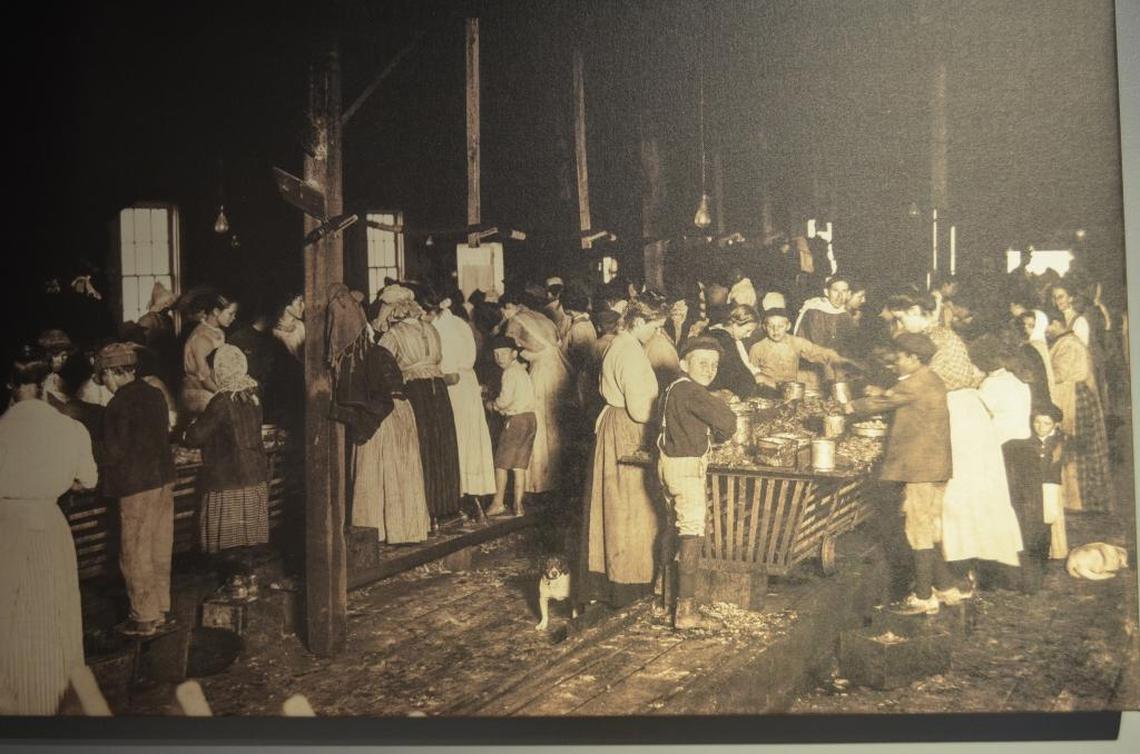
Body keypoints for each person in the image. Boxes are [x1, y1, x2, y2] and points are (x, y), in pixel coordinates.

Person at [887, 292, 1023, 584]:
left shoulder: (940, 338)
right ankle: (955, 572)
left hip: (959, 417)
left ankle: (959, 572)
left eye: (901, 318)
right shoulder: (934, 335)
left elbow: (923, 383)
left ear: (916, 311)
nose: (899, 325)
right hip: (958, 412)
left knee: (956, 497)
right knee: (952, 499)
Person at [0, 346, 98, 714]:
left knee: (8, 615)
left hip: (5, 527)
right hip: (49, 523)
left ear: (10, 384)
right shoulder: (69, 427)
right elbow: (88, 480)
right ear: (46, 383)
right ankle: (55, 698)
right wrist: (53, 483)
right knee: (53, 613)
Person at [844, 333, 958, 615]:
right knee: (928, 529)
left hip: (920, 468)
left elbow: (883, 403)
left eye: (900, 356)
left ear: (914, 359)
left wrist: (849, 406)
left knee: (917, 530)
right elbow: (897, 397)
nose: (896, 360)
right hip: (935, 466)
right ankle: (946, 589)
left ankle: (923, 597)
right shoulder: (930, 378)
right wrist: (882, 393)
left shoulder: (915, 383)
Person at [580, 298, 668, 608]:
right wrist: (666, 410)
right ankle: (630, 580)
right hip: (628, 429)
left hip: (615, 425)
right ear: (639, 322)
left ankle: (615, 577)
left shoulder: (619, 344)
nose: (656, 334)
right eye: (655, 327)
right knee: (632, 507)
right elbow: (641, 410)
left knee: (617, 505)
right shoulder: (629, 353)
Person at [329, 286, 430, 545]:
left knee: (383, 472)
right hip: (388, 413)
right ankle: (385, 530)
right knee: (385, 474)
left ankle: (390, 530)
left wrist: (355, 420)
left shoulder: (373, 353)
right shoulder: (363, 352)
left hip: (388, 416)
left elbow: (383, 400)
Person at [96, 342, 176, 636]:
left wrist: (90, 447)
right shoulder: (154, 394)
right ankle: (161, 610)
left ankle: (143, 617)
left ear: (110, 373)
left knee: (134, 552)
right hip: (164, 480)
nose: (103, 382)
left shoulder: (118, 405)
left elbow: (113, 454)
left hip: (136, 485)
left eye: (102, 376)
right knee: (158, 546)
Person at [657, 337, 736, 630]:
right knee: (692, 533)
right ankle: (686, 612)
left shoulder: (673, 388)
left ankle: (663, 595)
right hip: (687, 469)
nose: (710, 368)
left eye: (714, 364)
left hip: (668, 465)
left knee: (672, 525)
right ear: (684, 363)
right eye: (702, 362)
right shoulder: (692, 391)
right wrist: (719, 436)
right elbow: (728, 421)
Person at [181, 345, 269, 596]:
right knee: (246, 536)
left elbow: (197, 436)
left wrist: (187, 430)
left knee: (231, 539)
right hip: (254, 474)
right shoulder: (251, 396)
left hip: (230, 477)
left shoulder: (222, 401)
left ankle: (236, 585)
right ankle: (249, 580)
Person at [376, 285, 462, 527]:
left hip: (415, 391)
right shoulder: (431, 328)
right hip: (438, 389)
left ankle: (427, 510)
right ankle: (447, 508)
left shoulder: (393, 335)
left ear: (394, 309)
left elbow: (381, 364)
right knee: (443, 445)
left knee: (421, 446)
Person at [499, 289, 572, 494]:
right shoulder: (542, 318)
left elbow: (510, 351)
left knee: (539, 421)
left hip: (540, 372)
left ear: (512, 306)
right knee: (555, 423)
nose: (505, 313)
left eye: (505, 308)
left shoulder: (516, 321)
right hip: (558, 370)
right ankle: (558, 478)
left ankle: (539, 480)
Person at [431, 292, 496, 503]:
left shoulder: (441, 328)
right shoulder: (461, 323)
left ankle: (457, 494)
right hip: (468, 384)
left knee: (458, 438)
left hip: (454, 387)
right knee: (472, 439)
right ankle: (473, 492)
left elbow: (449, 373)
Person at [1045, 308, 1112, 512]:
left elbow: (1058, 374)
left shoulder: (1069, 344)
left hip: (1075, 399)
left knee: (1078, 450)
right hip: (1075, 397)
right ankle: (1081, 501)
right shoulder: (1067, 341)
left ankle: (1082, 502)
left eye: (1049, 325)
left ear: (1057, 323)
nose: (1047, 330)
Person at [1003, 403, 1068, 594]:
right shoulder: (1028, 442)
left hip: (1048, 488)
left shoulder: (1058, 442)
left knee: (1046, 523)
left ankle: (1041, 564)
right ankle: (1032, 570)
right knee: (1031, 525)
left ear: (1055, 424)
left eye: (1046, 423)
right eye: (1037, 422)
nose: (1040, 427)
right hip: (1031, 490)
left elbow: (1052, 463)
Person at [484, 335, 538, 518]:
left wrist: (493, 405)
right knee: (519, 466)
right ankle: (518, 506)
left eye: (503, 353)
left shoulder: (509, 373)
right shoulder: (522, 371)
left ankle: (498, 503)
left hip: (515, 420)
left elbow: (506, 400)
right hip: (530, 419)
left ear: (514, 353)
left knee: (501, 464)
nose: (499, 357)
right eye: (495, 354)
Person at [748, 308, 856, 390]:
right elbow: (751, 375)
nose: (775, 330)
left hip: (792, 390)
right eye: (771, 326)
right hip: (768, 391)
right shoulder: (757, 348)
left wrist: (834, 358)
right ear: (764, 327)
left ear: (788, 326)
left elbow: (817, 352)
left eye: (780, 326)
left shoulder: (796, 342)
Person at [181, 293, 237, 418]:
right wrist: (226, 395)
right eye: (230, 313)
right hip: (198, 392)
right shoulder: (201, 337)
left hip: (213, 387)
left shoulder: (217, 332)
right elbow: (204, 378)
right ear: (216, 311)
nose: (233, 318)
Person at [705, 304, 767, 398]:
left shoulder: (716, 332)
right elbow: (737, 372)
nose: (748, 335)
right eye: (747, 330)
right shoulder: (723, 338)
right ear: (735, 323)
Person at [272, 292, 306, 362]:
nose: (303, 306)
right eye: (299, 302)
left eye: (303, 301)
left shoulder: (300, 326)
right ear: (286, 306)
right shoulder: (275, 333)